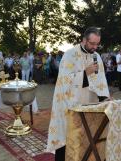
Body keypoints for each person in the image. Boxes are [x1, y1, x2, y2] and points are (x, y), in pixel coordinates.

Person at [46, 27, 110, 161]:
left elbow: (100, 80)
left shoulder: (96, 56)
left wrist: (105, 97)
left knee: (88, 136)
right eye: (92, 43)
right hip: (70, 105)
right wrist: (85, 72)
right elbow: (64, 81)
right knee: (68, 136)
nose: (95, 47)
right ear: (84, 40)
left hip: (90, 103)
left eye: (97, 44)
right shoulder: (70, 55)